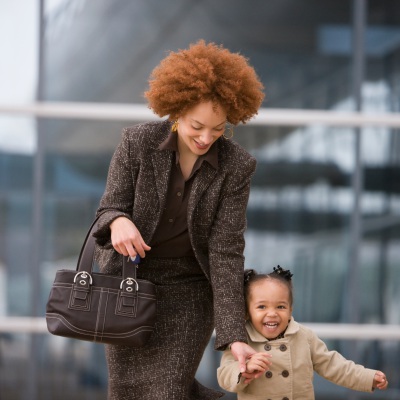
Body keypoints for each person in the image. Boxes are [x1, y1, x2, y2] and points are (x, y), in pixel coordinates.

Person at [93, 40, 265, 399]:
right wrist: (117, 221)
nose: (206, 138)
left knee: (168, 389)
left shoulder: (237, 166)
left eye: (219, 129)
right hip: (130, 284)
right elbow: (108, 208)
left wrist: (233, 335)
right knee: (127, 391)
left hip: (190, 291)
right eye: (196, 126)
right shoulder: (136, 143)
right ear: (176, 111)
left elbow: (226, 251)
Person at [217, 266, 389, 399]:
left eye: (281, 306)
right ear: (247, 312)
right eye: (262, 306)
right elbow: (224, 375)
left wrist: (367, 377)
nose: (272, 313)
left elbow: (334, 365)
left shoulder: (304, 336)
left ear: (291, 310)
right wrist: (244, 369)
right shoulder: (240, 340)